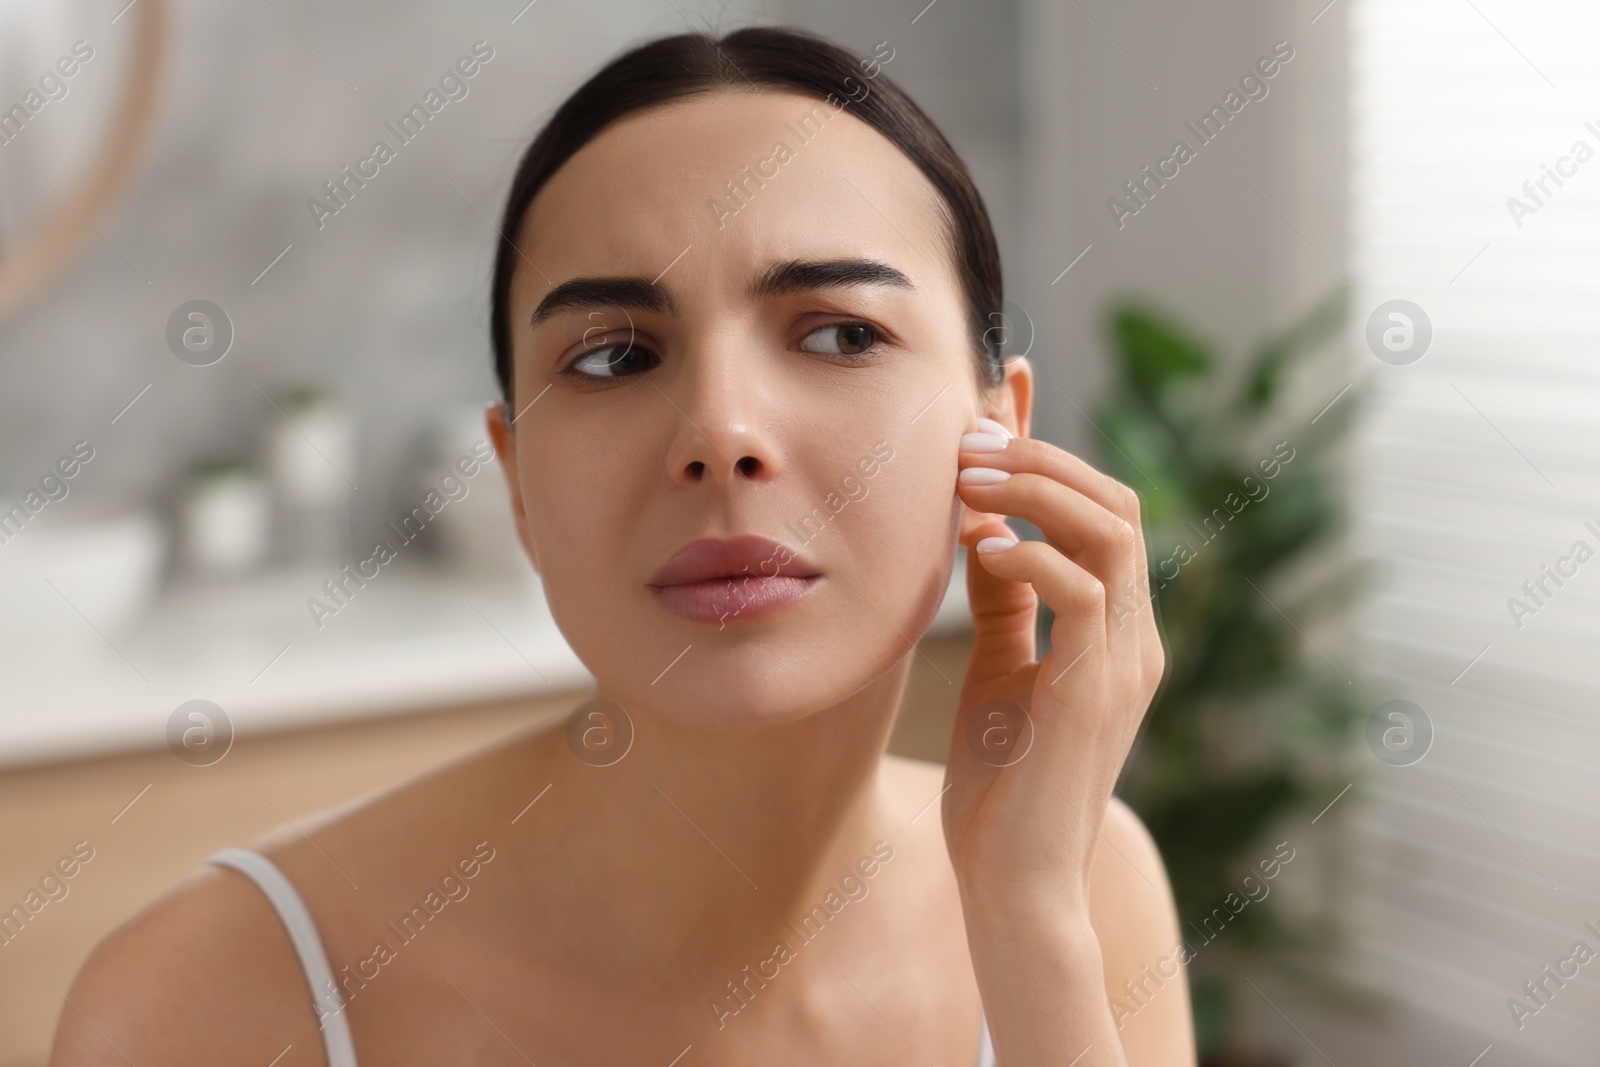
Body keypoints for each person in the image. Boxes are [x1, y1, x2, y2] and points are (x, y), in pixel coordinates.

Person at [53, 25, 1193, 1067]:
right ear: (514, 480)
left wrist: (1028, 923)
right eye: (612, 356)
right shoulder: (203, 1003)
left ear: (997, 432)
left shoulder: (1085, 886)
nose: (722, 432)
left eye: (842, 332)